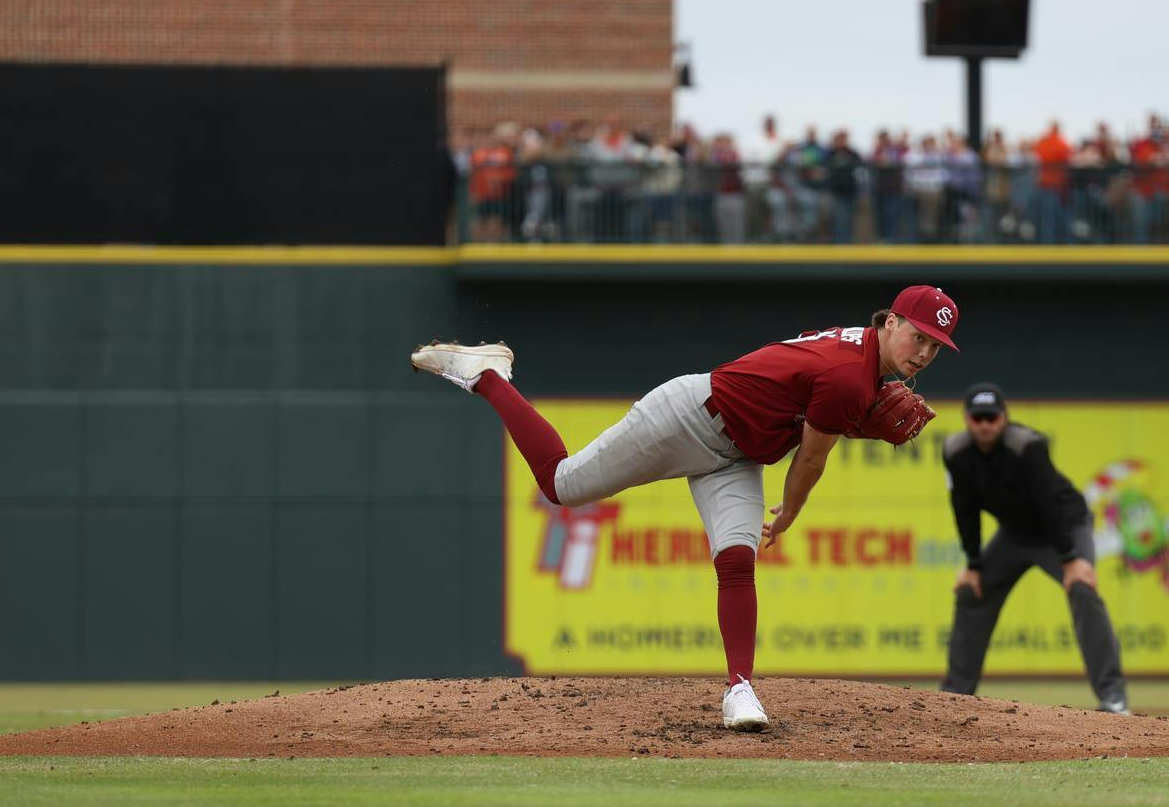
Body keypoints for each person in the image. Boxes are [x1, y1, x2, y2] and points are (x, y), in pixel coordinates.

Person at [410, 285, 962, 732]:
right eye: (919, 335)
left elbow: (809, 408)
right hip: (688, 418)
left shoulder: (860, 361)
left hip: (739, 456)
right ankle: (486, 375)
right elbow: (811, 462)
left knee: (736, 560)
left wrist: (851, 416)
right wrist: (790, 513)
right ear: (890, 322)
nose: (924, 352)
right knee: (562, 485)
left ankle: (739, 689)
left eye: (936, 346)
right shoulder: (849, 376)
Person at [939, 384, 1129, 713]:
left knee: (1082, 588)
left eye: (992, 417)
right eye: (977, 417)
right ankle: (954, 697)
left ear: (1004, 418)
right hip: (1015, 534)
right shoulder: (956, 452)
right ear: (967, 419)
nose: (985, 424)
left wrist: (1071, 560)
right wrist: (973, 563)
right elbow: (964, 508)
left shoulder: (1027, 445)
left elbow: (1048, 504)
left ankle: (1114, 698)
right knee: (972, 590)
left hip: (1064, 527)